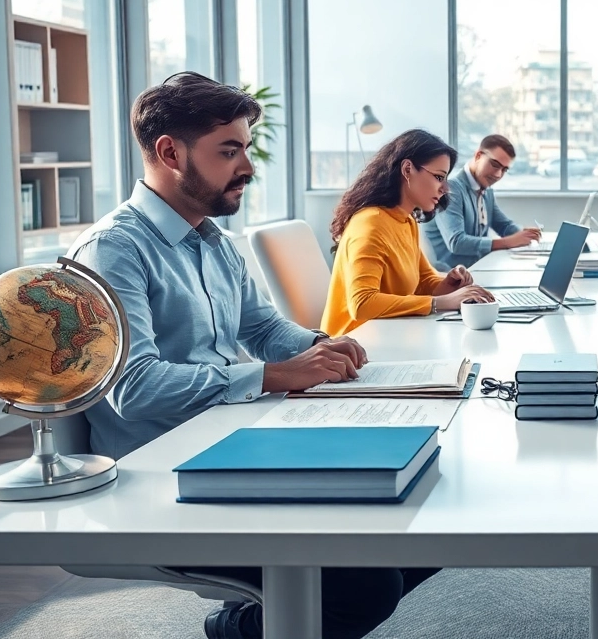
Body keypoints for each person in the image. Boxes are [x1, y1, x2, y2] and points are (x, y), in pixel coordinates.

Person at [68, 71, 435, 639]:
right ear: (170, 152)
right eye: (229, 151)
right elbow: (132, 388)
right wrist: (272, 375)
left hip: (234, 437)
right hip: (163, 473)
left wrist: (319, 347)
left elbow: (261, 326)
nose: (248, 166)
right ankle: (242, 629)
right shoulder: (114, 249)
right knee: (364, 586)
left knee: (419, 509)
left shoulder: (213, 240)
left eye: (246, 148)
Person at [322, 128, 493, 336]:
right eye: (438, 177)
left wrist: (450, 284)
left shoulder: (407, 221)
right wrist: (439, 302)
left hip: (390, 335)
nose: (445, 188)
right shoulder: (370, 224)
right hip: (353, 343)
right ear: (407, 169)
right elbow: (362, 303)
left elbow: (423, 281)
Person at [422, 133, 541, 270]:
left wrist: (525, 235)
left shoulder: (486, 190)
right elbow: (457, 242)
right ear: (478, 156)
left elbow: (504, 225)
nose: (498, 175)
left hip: (478, 269)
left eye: (504, 170)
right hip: (451, 275)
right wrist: (507, 242)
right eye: (495, 165)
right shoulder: (451, 188)